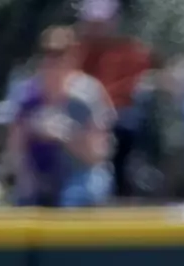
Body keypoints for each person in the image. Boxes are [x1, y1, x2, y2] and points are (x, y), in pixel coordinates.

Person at [8, 27, 114, 208]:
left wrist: (65, 135)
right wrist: (26, 177)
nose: (53, 61)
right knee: (24, 198)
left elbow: (97, 155)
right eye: (48, 53)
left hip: (81, 172)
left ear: (72, 57)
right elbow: (14, 151)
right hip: (40, 172)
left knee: (76, 196)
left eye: (60, 54)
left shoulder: (87, 95)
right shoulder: (27, 96)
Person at [74, 0, 160, 198]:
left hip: (119, 116)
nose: (97, 28)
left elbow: (133, 87)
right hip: (82, 118)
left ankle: (120, 193)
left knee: (125, 130)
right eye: (92, 22)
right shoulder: (74, 52)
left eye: (101, 23)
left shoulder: (133, 52)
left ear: (114, 21)